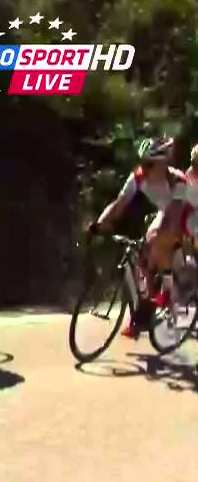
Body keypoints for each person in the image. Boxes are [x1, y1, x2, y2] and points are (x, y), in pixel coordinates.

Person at [87, 137, 193, 337]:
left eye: (149, 164)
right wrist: (100, 224)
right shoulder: (138, 177)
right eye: (142, 162)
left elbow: (174, 220)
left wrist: (156, 242)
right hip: (165, 211)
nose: (144, 168)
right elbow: (118, 205)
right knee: (143, 255)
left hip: (186, 215)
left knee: (157, 241)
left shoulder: (177, 181)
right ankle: (145, 307)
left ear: (162, 164)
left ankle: (168, 291)